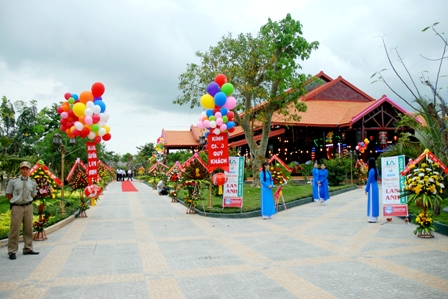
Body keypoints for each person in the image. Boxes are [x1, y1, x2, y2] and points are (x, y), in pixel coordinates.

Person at [6, 161, 38, 260]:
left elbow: (33, 194)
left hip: (28, 206)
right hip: (17, 207)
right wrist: (15, 201)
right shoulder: (13, 181)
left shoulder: (32, 182)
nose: (25, 170)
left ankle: (28, 248)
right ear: (20, 169)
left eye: (27, 168)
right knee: (15, 229)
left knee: (28, 228)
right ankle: (12, 251)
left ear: (29, 170)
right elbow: (9, 194)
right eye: (23, 168)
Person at [365, 157, 380, 223]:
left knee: (371, 203)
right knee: (375, 202)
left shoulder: (371, 171)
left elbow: (369, 180)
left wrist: (366, 189)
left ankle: (371, 218)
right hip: (375, 186)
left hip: (371, 187)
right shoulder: (376, 169)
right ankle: (375, 217)